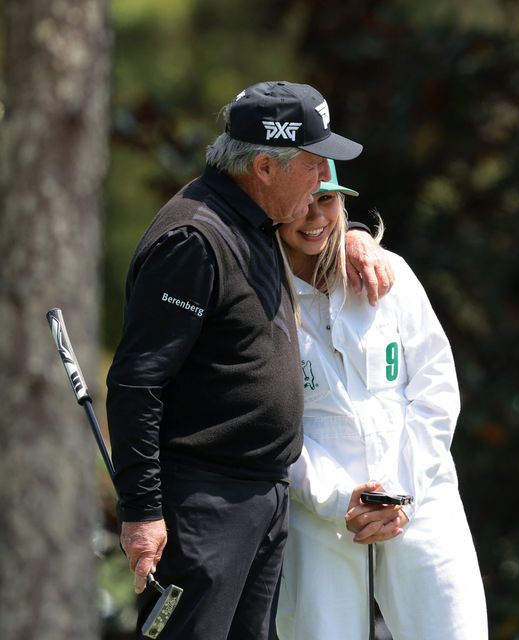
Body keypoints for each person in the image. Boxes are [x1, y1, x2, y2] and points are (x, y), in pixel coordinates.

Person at [106, 81, 394, 639]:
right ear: (264, 166)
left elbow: (320, 237)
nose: (321, 183)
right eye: (313, 164)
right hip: (203, 506)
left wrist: (357, 236)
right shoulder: (195, 238)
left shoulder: (253, 219)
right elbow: (138, 383)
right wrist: (142, 512)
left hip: (260, 499)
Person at [274, 160, 489, 640]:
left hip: (420, 495)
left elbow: (436, 386)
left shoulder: (388, 273)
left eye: (326, 199)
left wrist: (401, 492)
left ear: (343, 202)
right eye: (303, 201)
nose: (315, 216)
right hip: (319, 515)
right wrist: (336, 501)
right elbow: (271, 421)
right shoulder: (259, 294)